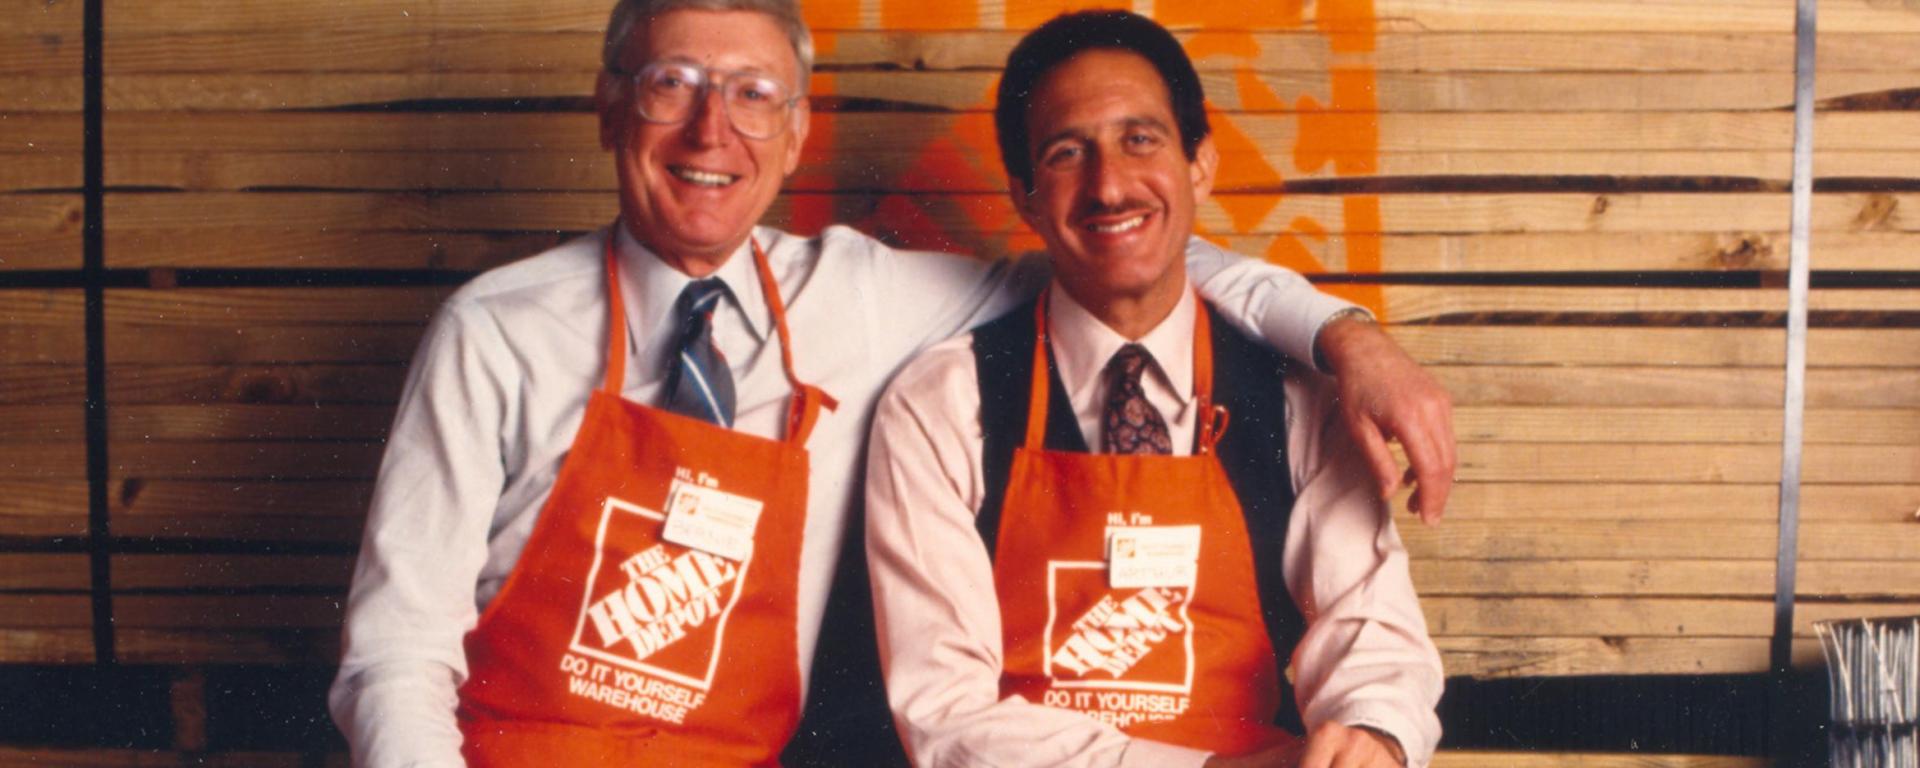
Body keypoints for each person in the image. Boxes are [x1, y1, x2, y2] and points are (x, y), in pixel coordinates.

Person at [326, 1, 1452, 765]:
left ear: (796, 132)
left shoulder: (862, 296)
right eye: (672, 84)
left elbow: (1121, 255)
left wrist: (1343, 336)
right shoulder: (494, 330)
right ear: (610, 106)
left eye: (753, 93)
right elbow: (395, 652)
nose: (713, 129)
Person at [864, 11, 1444, 768]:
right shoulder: (942, 403)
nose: (1109, 186)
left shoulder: (1298, 399)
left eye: (1140, 139)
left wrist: (1374, 736)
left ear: (1200, 163)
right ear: (1025, 195)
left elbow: (1371, 632)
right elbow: (946, 713)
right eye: (1068, 153)